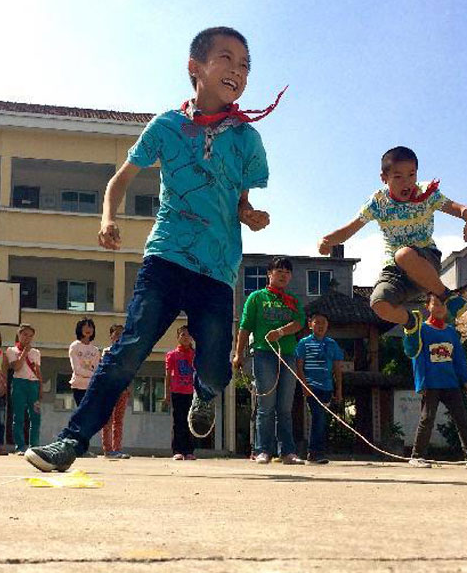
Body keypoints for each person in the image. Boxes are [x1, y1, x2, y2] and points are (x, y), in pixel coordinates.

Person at [26, 26, 277, 472]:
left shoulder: (246, 139)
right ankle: (70, 442)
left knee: (217, 367)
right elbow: (119, 178)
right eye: (226, 58)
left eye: (244, 65)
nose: (237, 70)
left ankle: (205, 392)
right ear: (194, 67)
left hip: (218, 268)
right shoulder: (167, 126)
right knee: (129, 348)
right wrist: (108, 217)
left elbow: (240, 196)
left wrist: (249, 214)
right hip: (166, 256)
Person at [318, 146, 467, 331]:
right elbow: (349, 229)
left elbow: (461, 209)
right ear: (384, 178)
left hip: (424, 259)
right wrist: (326, 241)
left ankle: (448, 297)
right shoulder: (378, 202)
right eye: (398, 177)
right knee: (378, 303)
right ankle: (412, 323)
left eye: (412, 175)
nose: (407, 183)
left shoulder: (426, 193)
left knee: (403, 255)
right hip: (395, 269)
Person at [234, 257, 306, 465]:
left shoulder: (292, 299)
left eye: (287, 272)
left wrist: (281, 331)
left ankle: (287, 452)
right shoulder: (256, 297)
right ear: (270, 274)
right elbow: (244, 326)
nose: (283, 275)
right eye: (279, 271)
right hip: (264, 354)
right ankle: (262, 450)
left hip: (288, 354)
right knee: (266, 405)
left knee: (285, 407)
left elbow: (300, 322)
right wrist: (238, 354)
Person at [403, 294, 467, 470]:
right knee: (427, 419)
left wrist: (466, 380)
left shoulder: (451, 332)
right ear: (428, 306)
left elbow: (459, 358)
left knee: (462, 419)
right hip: (431, 384)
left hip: (451, 383)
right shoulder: (422, 330)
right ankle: (417, 456)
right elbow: (416, 358)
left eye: (443, 304)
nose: (440, 307)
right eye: (436, 304)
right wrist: (421, 383)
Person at [295, 312, 344, 465]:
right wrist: (304, 385)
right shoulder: (303, 343)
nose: (321, 325)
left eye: (324, 322)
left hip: (327, 387)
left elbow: (337, 368)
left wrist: (339, 390)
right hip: (311, 386)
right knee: (318, 416)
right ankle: (314, 452)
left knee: (322, 419)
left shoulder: (332, 344)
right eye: (317, 322)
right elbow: (299, 366)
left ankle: (318, 451)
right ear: (310, 324)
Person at [8, 324, 42, 456]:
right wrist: (24, 352)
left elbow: (38, 371)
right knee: (19, 416)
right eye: (24, 334)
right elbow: (16, 367)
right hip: (19, 384)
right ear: (19, 335)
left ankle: (34, 446)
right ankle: (20, 445)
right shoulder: (12, 350)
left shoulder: (36, 352)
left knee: (35, 416)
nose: (27, 338)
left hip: (33, 384)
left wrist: (40, 387)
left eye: (30, 336)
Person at [165, 325, 197, 460]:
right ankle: (177, 450)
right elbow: (167, 375)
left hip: (191, 392)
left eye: (188, 335)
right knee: (178, 421)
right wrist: (167, 393)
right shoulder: (172, 355)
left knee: (190, 422)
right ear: (178, 337)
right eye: (183, 335)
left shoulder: (195, 354)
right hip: (177, 391)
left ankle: (189, 450)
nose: (186, 337)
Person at [100, 324, 130, 459]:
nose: (119, 337)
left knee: (118, 420)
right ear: (111, 336)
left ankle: (117, 448)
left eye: (121, 334)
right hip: (109, 388)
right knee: (107, 419)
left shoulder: (128, 352)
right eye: (116, 334)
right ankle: (107, 449)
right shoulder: (107, 351)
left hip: (122, 389)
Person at [69, 318, 100, 407]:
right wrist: (93, 374)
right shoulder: (75, 346)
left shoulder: (95, 350)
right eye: (85, 327)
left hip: (91, 387)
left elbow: (97, 368)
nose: (88, 330)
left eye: (90, 327)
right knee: (81, 411)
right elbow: (77, 369)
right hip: (78, 385)